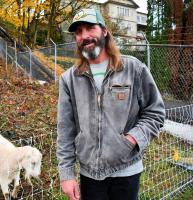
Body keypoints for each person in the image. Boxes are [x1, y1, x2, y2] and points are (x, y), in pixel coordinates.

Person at [56, 8, 165, 200]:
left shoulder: (133, 69)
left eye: (90, 28)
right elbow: (65, 130)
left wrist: (131, 139)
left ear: (105, 31)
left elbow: (155, 112)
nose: (84, 36)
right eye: (78, 32)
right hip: (89, 175)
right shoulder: (69, 79)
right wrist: (66, 175)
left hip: (127, 171)